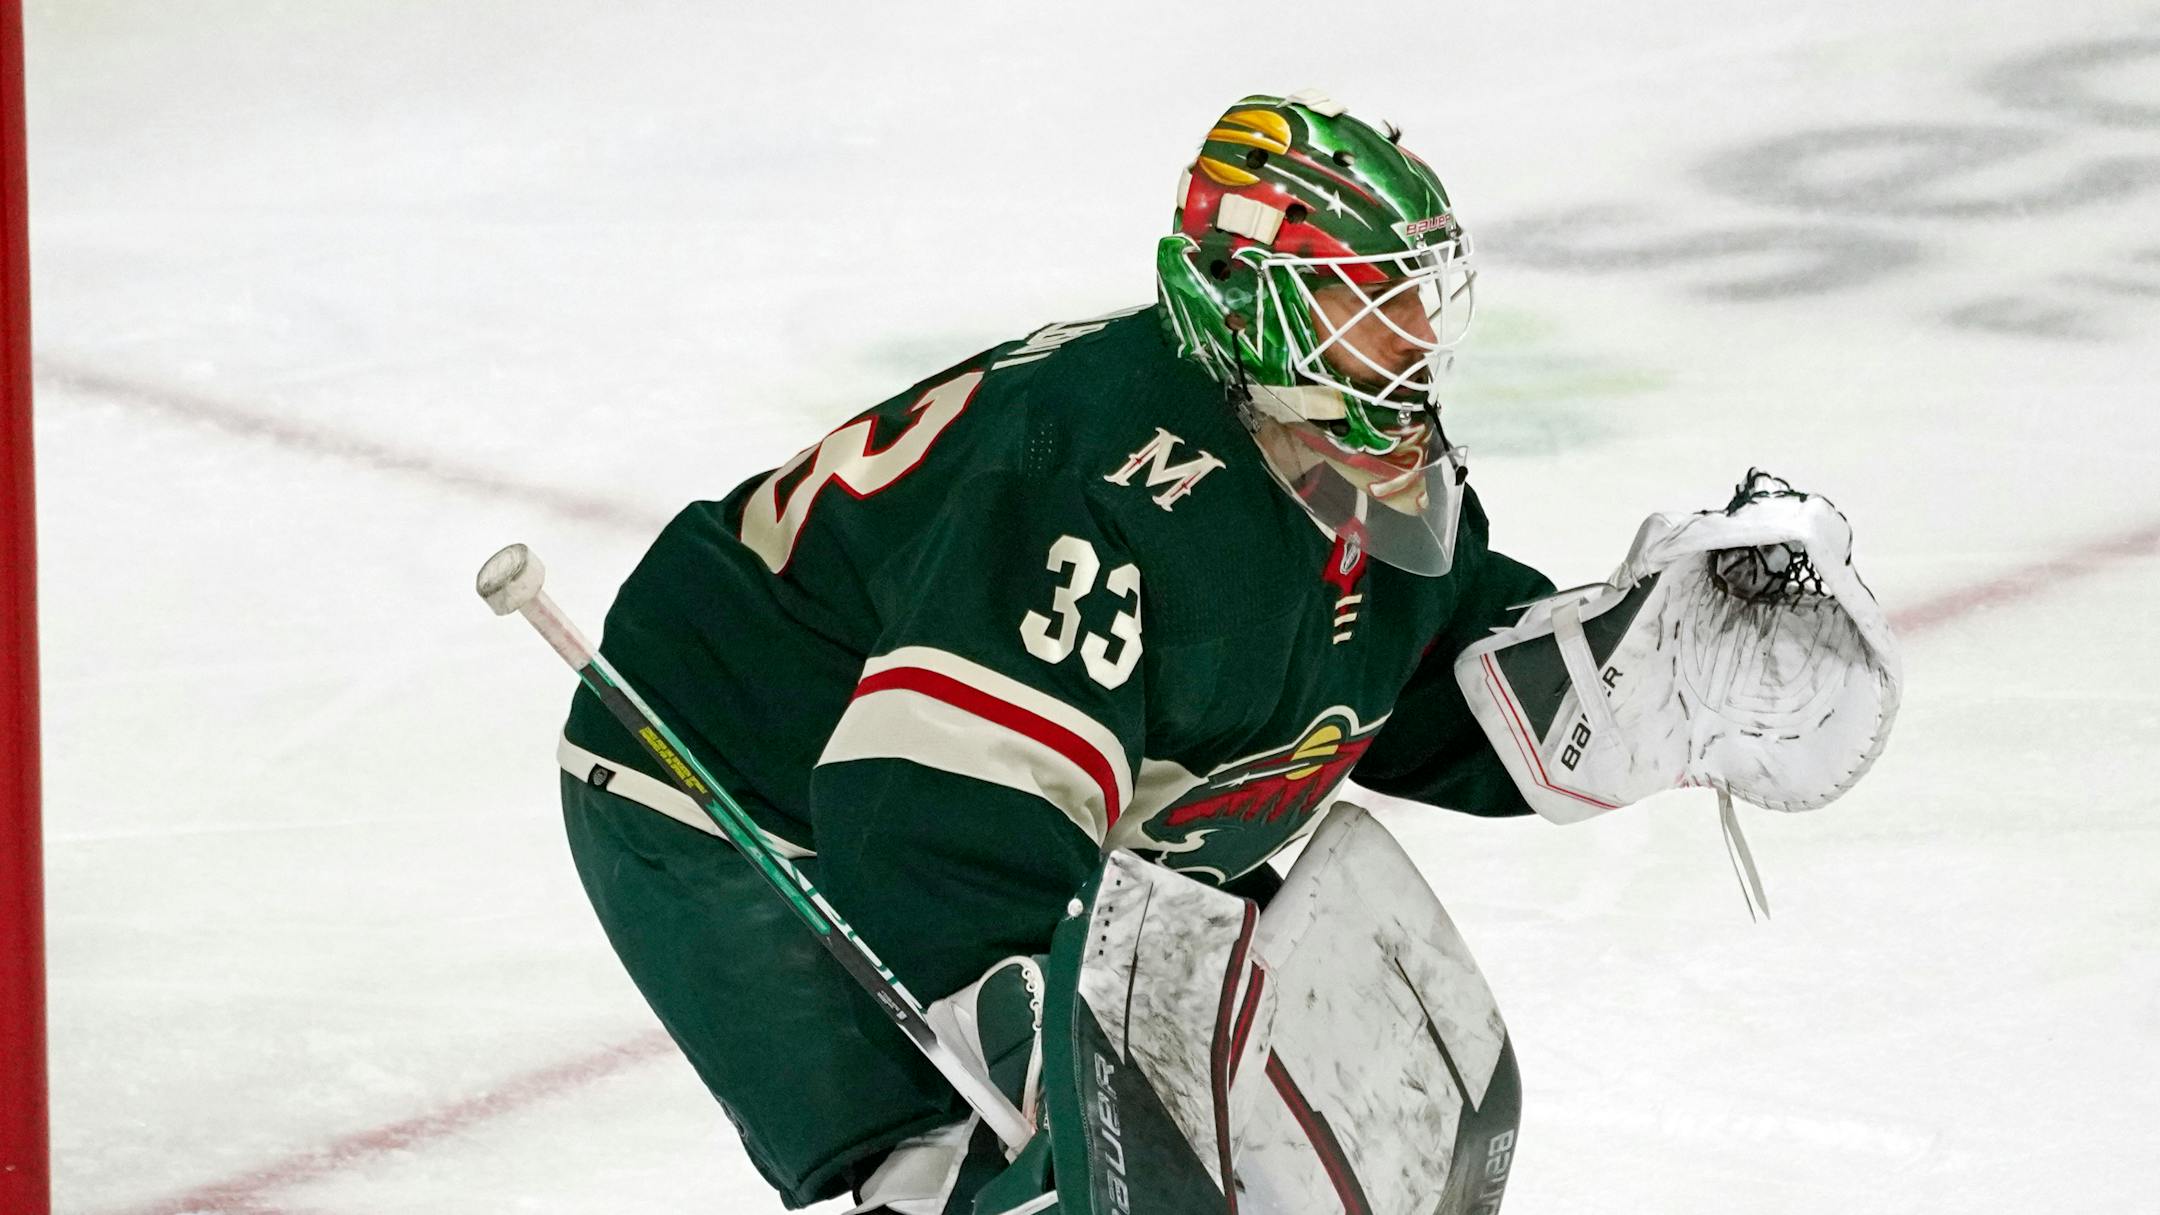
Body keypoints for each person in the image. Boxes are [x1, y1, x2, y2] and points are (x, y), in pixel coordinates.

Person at [556, 89, 1556, 1213]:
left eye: (1414, 296)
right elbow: (939, 818)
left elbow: (1397, 672)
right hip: (733, 787)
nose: (1414, 339)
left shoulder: (1329, 453)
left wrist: (1598, 678)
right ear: (1244, 298)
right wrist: (1047, 1045)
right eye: (1363, 302)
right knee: (995, 1176)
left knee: (1209, 1134)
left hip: (980, 811)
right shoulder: (1092, 483)